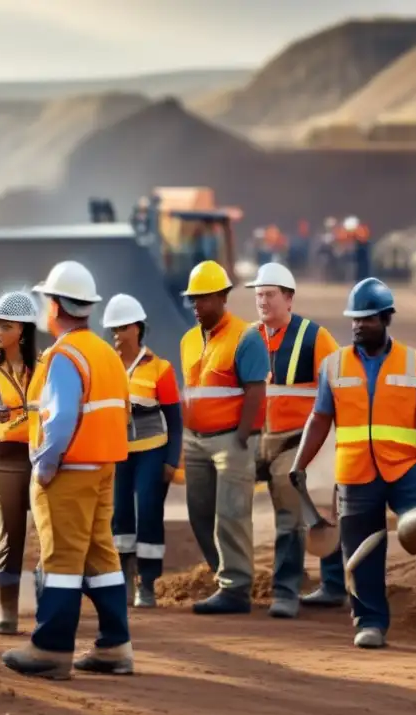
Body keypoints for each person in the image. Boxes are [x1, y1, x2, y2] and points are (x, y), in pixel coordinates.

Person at [290, 278, 416, 651]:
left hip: (406, 470)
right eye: (354, 319)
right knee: (361, 553)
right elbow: (319, 419)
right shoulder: (333, 366)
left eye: (366, 319)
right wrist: (300, 462)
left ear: (386, 319)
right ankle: (369, 623)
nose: (357, 326)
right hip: (355, 474)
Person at [2, 261, 132, 680]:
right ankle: (115, 646)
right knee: (101, 555)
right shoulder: (106, 354)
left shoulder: (63, 356)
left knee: (60, 558)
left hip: (69, 471)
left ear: (55, 306)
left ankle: (51, 650)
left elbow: (58, 422)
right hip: (103, 468)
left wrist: (45, 466)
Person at [245, 263, 346, 618]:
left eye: (269, 295)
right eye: (258, 295)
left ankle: (286, 591)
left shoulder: (314, 337)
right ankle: (233, 582)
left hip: (299, 443)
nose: (262, 301)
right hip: (257, 440)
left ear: (289, 299)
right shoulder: (249, 337)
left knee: (295, 511)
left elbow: (340, 384)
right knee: (226, 499)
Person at [179, 261, 268, 615]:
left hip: (231, 440)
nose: (197, 306)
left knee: (231, 514)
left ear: (222, 297)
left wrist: (244, 437)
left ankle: (236, 587)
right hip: (196, 440)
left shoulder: (245, 337)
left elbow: (256, 391)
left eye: (203, 299)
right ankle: (223, 574)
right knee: (200, 512)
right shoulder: (188, 340)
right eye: (193, 300)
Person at [100, 293, 182, 608]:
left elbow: (174, 422)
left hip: (152, 451)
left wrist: (171, 461)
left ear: (137, 328)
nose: (117, 335)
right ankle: (123, 577)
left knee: (148, 511)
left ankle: (146, 584)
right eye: (113, 330)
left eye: (122, 328)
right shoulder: (107, 367)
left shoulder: (160, 369)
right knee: (120, 515)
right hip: (118, 453)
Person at [0, 290, 40, 635]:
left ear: (22, 330)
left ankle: (51, 603)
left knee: (47, 533)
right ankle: (8, 610)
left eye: (4, 325)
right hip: (2, 458)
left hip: (40, 456)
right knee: (11, 532)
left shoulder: (45, 368)